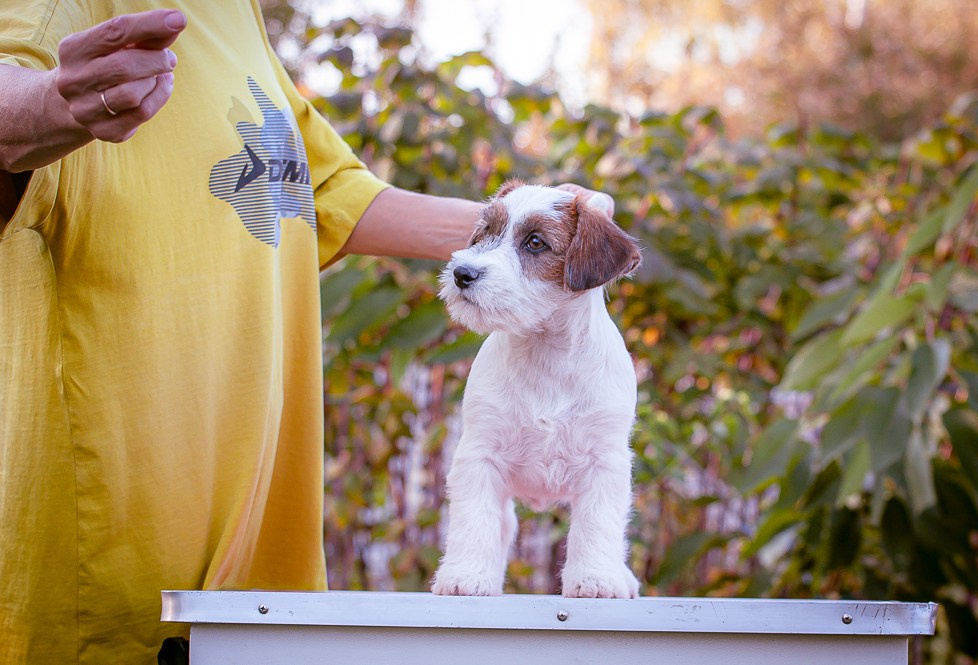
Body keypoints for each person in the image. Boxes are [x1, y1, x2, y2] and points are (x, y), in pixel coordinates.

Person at [0, 3, 610, 663]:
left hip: (256, 590)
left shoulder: (234, 14)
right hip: (118, 589)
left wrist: (531, 233)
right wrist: (48, 107)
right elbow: (16, 102)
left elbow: (329, 190)